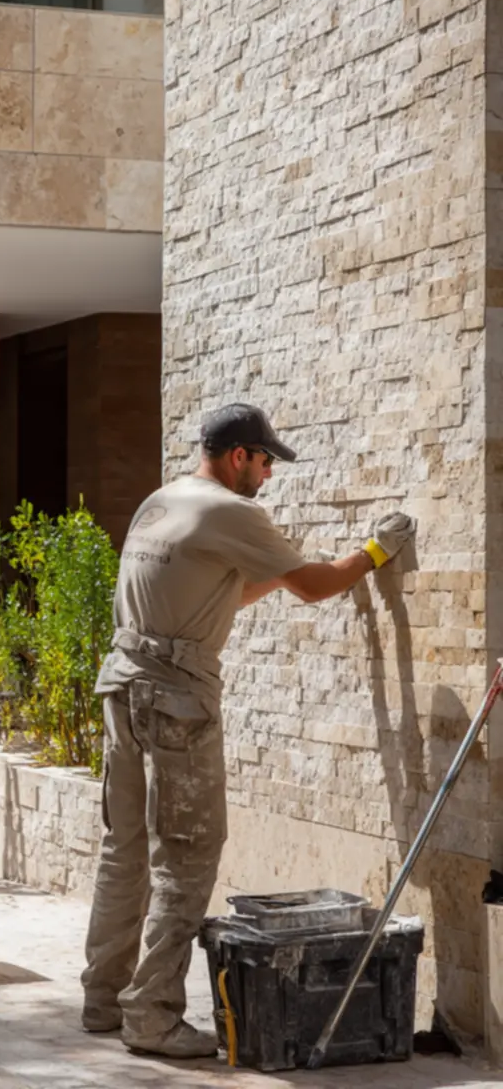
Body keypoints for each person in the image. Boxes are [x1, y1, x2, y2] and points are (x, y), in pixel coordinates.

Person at [81, 402, 416, 1059]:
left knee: (124, 848)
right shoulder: (234, 511)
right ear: (240, 456)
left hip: (122, 687)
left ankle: (104, 998)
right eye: (266, 462)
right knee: (187, 853)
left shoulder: (162, 501)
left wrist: (277, 573)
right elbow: (316, 587)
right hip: (176, 698)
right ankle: (150, 1015)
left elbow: (220, 590)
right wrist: (374, 552)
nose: (268, 475)